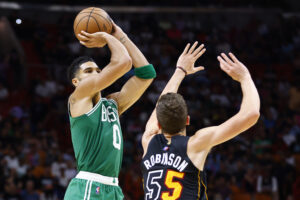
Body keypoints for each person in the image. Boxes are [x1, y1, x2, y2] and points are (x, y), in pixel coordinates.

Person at [141, 42, 260, 199]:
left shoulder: (148, 141)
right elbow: (251, 114)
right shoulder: (195, 144)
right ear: (187, 120)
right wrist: (245, 78)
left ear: (158, 123)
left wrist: (180, 71)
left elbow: (160, 107)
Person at [64, 22, 156, 200]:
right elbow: (123, 62)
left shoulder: (113, 103)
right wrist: (106, 37)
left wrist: (119, 33)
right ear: (76, 82)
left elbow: (147, 75)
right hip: (88, 187)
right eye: (89, 70)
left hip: (113, 188)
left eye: (98, 69)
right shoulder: (77, 97)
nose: (96, 73)